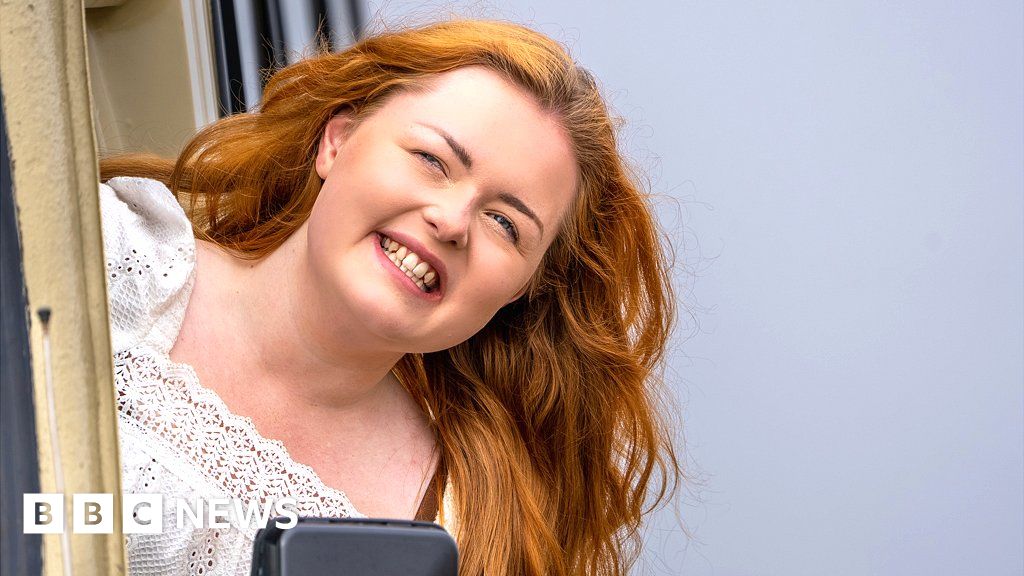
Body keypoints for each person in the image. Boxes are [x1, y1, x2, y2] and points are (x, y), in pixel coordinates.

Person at [100, 19, 681, 576]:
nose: (453, 221)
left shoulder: (464, 528)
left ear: (521, 289)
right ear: (337, 141)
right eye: (432, 161)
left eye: (505, 224)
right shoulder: (109, 256)